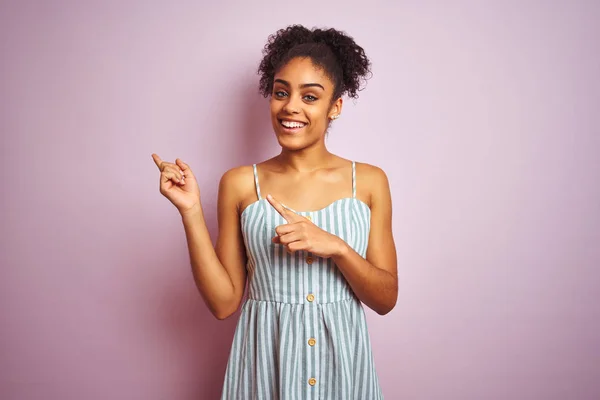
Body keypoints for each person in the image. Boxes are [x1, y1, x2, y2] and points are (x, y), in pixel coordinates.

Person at [152, 24, 398, 400]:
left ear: (335, 106)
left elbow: (385, 298)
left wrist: (337, 247)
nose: (291, 107)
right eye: (281, 93)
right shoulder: (239, 183)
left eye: (310, 96)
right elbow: (223, 303)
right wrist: (190, 211)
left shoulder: (366, 181)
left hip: (344, 372)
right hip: (264, 369)